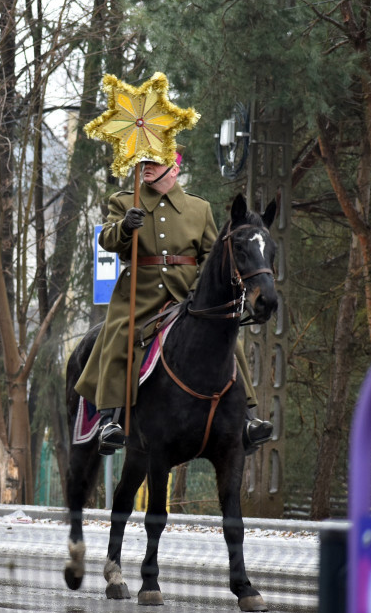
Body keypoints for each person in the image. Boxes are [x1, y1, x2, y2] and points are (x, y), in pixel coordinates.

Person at [74, 149, 273, 455]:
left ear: (174, 168)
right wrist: (126, 226)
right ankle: (109, 420)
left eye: (153, 163)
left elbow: (211, 255)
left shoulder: (199, 207)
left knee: (228, 337)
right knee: (119, 337)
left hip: (189, 293)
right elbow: (108, 241)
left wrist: (198, 288)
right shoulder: (125, 201)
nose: (146, 168)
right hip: (140, 294)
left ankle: (247, 417)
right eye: (143, 163)